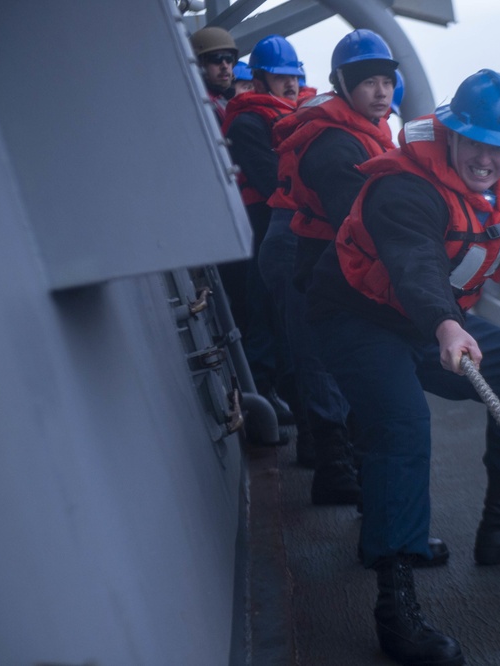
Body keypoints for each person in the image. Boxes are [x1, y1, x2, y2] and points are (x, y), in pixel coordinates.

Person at [306, 69, 500, 665]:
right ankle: (396, 604)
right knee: (402, 427)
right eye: (475, 142)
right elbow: (415, 266)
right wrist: (446, 324)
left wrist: (444, 322)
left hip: (428, 321)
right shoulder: (403, 188)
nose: (486, 158)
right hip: (360, 317)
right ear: (451, 134)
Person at [259, 29, 398, 506]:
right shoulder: (339, 145)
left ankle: (335, 464)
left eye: (386, 81)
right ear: (343, 86)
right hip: (313, 250)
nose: (381, 92)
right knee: (318, 357)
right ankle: (335, 469)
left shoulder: (363, 131)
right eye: (368, 82)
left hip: (312, 243)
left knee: (320, 355)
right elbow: (356, 219)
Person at [219, 34, 305, 441]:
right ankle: (262, 399)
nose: (290, 83)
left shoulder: (288, 114)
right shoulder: (249, 121)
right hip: (259, 222)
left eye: (295, 75)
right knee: (261, 310)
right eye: (280, 76)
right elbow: (271, 180)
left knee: (277, 312)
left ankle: (277, 393)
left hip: (281, 221)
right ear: (259, 81)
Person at [189, 27, 239, 125]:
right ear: (200, 65)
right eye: (216, 59)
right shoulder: (199, 105)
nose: (224, 66)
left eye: (228, 59)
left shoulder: (226, 101)